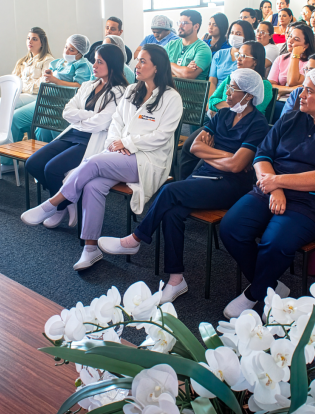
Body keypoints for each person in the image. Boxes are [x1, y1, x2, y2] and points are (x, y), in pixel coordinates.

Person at [98, 69, 270, 303]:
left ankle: (136, 239)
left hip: (231, 186)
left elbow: (238, 167)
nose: (227, 91)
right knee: (172, 212)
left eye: (233, 88)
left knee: (170, 190)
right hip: (205, 176)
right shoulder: (223, 115)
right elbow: (195, 148)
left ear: (248, 96)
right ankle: (176, 279)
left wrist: (223, 158)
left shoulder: (258, 124)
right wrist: (227, 156)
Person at [20, 44, 183, 270]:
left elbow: (162, 136)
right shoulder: (132, 90)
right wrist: (114, 144)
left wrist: (127, 143)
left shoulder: (171, 98)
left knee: (94, 161)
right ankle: (90, 248)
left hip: (147, 160)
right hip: (118, 155)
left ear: (157, 67)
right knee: (92, 186)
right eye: (137, 60)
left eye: (143, 61)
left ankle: (54, 203)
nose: (137, 65)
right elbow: (116, 123)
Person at [220, 69, 315, 319]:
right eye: (302, 88)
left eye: (309, 90)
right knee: (231, 227)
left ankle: (255, 294)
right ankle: (269, 288)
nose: (300, 94)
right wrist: (275, 186)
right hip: (270, 189)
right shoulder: (291, 118)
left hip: (313, 203)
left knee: (275, 242)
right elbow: (262, 156)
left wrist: (278, 182)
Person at [25, 44, 129, 228]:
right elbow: (67, 112)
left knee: (52, 169)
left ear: (112, 65)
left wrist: (80, 117)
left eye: (99, 62)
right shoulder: (89, 85)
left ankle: (58, 207)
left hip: (92, 140)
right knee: (32, 163)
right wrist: (86, 118)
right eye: (94, 60)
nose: (94, 65)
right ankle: (66, 204)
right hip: (73, 133)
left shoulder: (120, 92)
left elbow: (101, 123)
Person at [180, 42, 270, 179]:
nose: (238, 58)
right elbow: (212, 101)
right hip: (221, 121)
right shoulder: (231, 77)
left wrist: (225, 107)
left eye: (244, 56)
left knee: (206, 153)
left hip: (243, 128)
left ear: (255, 62)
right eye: (238, 54)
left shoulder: (263, 85)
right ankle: (186, 180)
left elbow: (251, 109)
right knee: (190, 147)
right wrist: (230, 107)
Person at [7, 34, 93, 151]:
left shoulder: (83, 65)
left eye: (71, 50)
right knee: (16, 118)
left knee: (43, 130)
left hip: (61, 106)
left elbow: (80, 86)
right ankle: (10, 163)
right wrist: (48, 75)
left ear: (81, 52)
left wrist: (56, 81)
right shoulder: (58, 63)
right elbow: (50, 76)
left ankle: (41, 161)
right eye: (66, 47)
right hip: (45, 101)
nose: (66, 51)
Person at [0, 27, 54, 129]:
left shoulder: (47, 60)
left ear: (42, 43)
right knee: (2, 104)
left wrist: (22, 87)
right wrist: (18, 88)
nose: (30, 41)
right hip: (21, 94)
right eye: (28, 38)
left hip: (35, 96)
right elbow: (13, 82)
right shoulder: (22, 61)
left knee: (5, 102)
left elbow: (45, 84)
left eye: (34, 39)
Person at [267, 23, 315, 106]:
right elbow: (270, 86)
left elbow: (292, 81)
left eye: (296, 39)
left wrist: (295, 55)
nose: (290, 41)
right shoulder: (281, 59)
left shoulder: (310, 63)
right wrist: (290, 89)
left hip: (299, 103)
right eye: (290, 36)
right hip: (278, 100)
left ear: (306, 45)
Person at [279, 53, 315, 118]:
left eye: (311, 70)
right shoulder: (297, 92)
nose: (307, 73)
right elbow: (283, 120)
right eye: (306, 69)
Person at [166, 10, 213, 81]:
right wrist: (182, 70)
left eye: (184, 23)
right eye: (179, 22)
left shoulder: (203, 49)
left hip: (191, 91)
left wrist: (167, 64)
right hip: (169, 90)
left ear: (196, 26)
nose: (180, 26)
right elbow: (156, 67)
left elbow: (188, 75)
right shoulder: (171, 45)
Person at [209, 20, 254, 95]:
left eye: (238, 34)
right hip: (217, 96)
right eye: (232, 33)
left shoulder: (249, 57)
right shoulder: (219, 54)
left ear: (247, 36)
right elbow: (212, 81)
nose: (234, 36)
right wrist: (210, 101)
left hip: (237, 97)